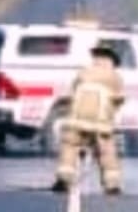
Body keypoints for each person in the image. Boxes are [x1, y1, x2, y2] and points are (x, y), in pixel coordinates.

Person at [51, 43, 125, 196]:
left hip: (77, 119)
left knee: (70, 147)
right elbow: (119, 99)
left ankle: (63, 180)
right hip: (101, 122)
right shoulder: (115, 77)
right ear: (112, 59)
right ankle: (112, 186)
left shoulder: (83, 72)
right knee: (106, 153)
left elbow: (72, 93)